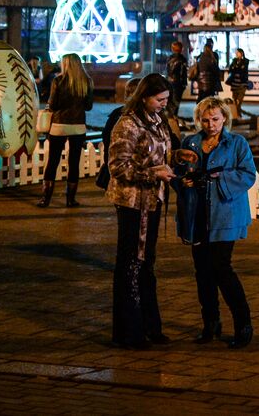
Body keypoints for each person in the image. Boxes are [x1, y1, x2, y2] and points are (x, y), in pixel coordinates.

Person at [107, 72, 188, 349]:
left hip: (153, 202)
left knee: (146, 263)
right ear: (144, 97)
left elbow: (162, 153)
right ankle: (129, 331)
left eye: (166, 99)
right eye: (159, 99)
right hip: (132, 203)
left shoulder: (159, 121)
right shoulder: (127, 125)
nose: (164, 104)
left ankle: (150, 326)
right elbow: (118, 166)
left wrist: (177, 158)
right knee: (131, 263)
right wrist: (154, 174)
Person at [176, 97, 256, 349]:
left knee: (222, 268)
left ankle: (243, 324)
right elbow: (177, 175)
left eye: (216, 119)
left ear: (225, 119)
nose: (211, 125)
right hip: (197, 214)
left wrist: (217, 179)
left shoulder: (236, 143)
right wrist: (183, 181)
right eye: (206, 120)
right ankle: (210, 323)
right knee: (202, 272)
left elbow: (248, 174)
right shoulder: (190, 143)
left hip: (225, 215)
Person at [38, 53, 93, 208]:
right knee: (74, 163)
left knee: (53, 161)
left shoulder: (58, 80)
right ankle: (70, 200)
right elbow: (89, 106)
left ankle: (45, 199)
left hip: (59, 125)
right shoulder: (86, 81)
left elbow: (53, 104)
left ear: (65, 64)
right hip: (78, 126)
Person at [225, 49, 251, 119]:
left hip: (242, 84)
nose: (236, 54)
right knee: (235, 100)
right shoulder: (234, 60)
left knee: (239, 100)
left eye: (238, 52)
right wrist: (236, 68)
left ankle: (238, 114)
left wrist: (236, 68)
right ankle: (237, 114)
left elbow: (242, 70)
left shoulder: (246, 61)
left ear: (241, 53)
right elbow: (231, 69)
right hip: (234, 84)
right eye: (236, 52)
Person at [165, 42, 189, 113]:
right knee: (177, 100)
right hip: (178, 82)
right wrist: (184, 83)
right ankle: (174, 116)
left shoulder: (169, 58)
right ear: (181, 49)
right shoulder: (182, 59)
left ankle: (170, 115)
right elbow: (183, 72)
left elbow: (167, 70)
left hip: (169, 81)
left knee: (170, 100)